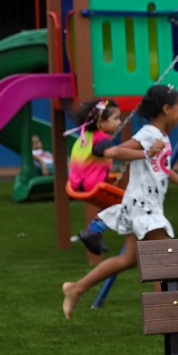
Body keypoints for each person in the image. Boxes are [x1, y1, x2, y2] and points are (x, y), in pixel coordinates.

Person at [61, 85, 178, 319]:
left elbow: (161, 167)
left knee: (128, 260)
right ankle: (167, 313)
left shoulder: (161, 136)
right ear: (166, 109)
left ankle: (76, 288)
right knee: (165, 255)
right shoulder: (148, 134)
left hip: (145, 205)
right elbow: (116, 152)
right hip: (142, 205)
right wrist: (146, 152)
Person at [69, 99, 125, 255]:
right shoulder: (101, 138)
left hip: (76, 184)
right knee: (128, 203)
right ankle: (93, 231)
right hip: (91, 185)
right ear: (101, 123)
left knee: (109, 204)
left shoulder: (85, 136)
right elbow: (110, 152)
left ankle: (94, 231)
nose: (120, 122)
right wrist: (142, 153)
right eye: (116, 118)